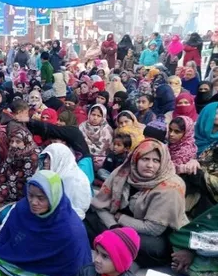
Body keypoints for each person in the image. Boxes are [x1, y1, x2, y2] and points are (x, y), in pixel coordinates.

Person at [0, 170, 92, 276]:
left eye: (41, 198)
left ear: (54, 196)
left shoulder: (71, 229)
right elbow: (10, 233)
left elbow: (77, 268)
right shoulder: (24, 208)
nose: (34, 202)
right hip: (27, 260)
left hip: (53, 274)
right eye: (30, 195)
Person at [87, 138, 189, 267]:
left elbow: (153, 229)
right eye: (145, 159)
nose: (150, 165)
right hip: (118, 224)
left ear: (163, 162)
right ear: (135, 159)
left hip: (152, 235)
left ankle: (111, 246)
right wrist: (113, 226)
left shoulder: (171, 187)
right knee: (87, 218)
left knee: (152, 248)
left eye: (156, 160)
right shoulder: (122, 172)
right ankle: (115, 247)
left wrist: (121, 218)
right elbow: (100, 205)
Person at [0, 125, 40, 225]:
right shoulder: (12, 153)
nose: (13, 145)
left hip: (21, 196)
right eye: (11, 141)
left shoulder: (33, 158)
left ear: (26, 141)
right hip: (6, 189)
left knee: (4, 216)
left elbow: (21, 186)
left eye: (18, 142)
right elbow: (1, 173)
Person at [40, 143, 91, 219]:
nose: (45, 161)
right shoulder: (48, 175)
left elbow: (77, 211)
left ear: (60, 160)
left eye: (49, 158)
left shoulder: (75, 180)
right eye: (45, 157)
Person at [79, 104, 113, 170]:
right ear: (89, 114)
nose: (95, 118)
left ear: (103, 117)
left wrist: (86, 142)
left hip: (99, 158)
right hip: (82, 153)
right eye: (93, 114)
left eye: (99, 116)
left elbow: (99, 150)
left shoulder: (106, 130)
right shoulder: (83, 126)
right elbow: (78, 141)